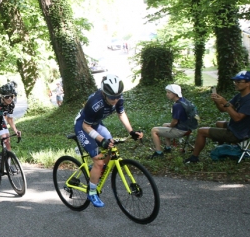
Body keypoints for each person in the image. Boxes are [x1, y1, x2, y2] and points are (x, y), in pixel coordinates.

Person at [74, 75, 143, 207]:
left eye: (118, 96)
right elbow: (86, 126)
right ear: (104, 93)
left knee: (111, 149)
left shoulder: (117, 97)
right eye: (112, 97)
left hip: (96, 124)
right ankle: (92, 192)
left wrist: (131, 131)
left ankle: (95, 170)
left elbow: (121, 113)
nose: (115, 100)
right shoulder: (94, 103)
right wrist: (101, 140)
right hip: (83, 126)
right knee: (99, 161)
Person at [184, 71, 250, 164]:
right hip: (237, 127)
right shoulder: (240, 96)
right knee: (218, 123)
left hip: (240, 133)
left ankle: (194, 158)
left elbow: (237, 118)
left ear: (248, 83)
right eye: (235, 81)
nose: (235, 84)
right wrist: (217, 101)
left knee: (201, 131)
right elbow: (222, 109)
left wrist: (225, 102)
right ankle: (223, 150)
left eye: (239, 82)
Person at [149, 84, 192, 158]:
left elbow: (175, 122)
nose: (167, 94)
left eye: (169, 92)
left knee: (154, 130)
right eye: (167, 92)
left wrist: (171, 126)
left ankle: (159, 152)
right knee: (165, 125)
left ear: (175, 93)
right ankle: (168, 148)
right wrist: (169, 125)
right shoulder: (184, 101)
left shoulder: (177, 105)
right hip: (188, 127)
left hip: (181, 130)